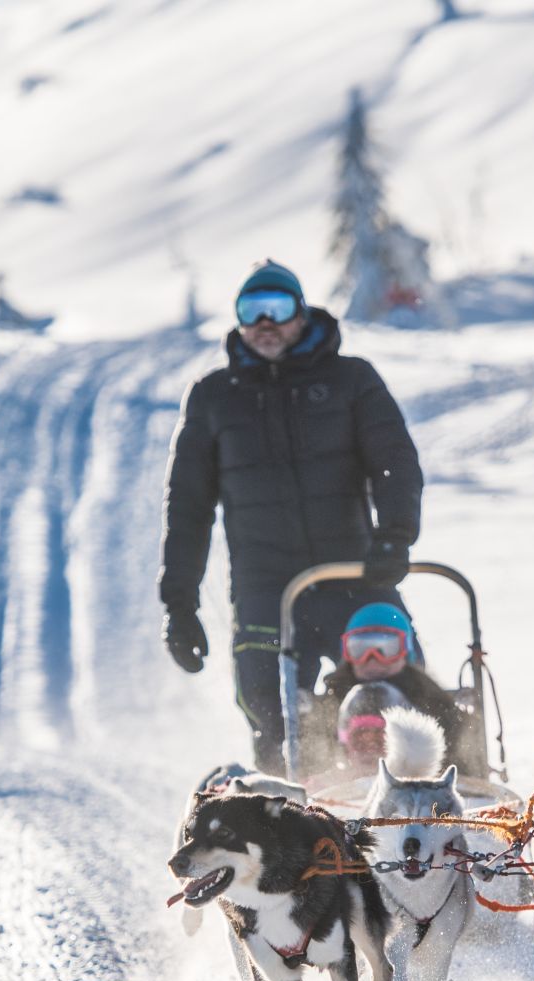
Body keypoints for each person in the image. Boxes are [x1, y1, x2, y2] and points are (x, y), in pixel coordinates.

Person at [159, 260, 423, 773]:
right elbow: (187, 507)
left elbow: (395, 462)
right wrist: (180, 606)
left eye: (277, 308)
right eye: (251, 310)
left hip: (357, 575)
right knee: (274, 718)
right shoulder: (214, 398)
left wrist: (395, 536)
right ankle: (291, 806)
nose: (265, 323)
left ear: (301, 313)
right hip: (267, 591)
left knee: (399, 697)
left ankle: (425, 799)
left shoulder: (351, 380)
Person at [312, 602, 465, 772]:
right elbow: (313, 759)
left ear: (405, 650)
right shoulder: (331, 702)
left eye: (387, 648)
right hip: (347, 786)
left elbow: (458, 766)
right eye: (360, 648)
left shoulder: (432, 703)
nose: (372, 659)